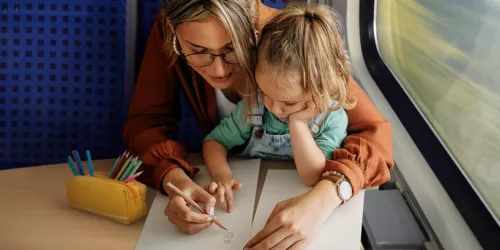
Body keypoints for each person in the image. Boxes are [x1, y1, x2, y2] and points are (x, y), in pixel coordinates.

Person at [122, 0, 393, 248]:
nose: (219, 71)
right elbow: (146, 124)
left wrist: (323, 199)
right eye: (198, 51)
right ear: (173, 31)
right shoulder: (169, 29)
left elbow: (375, 133)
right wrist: (174, 180)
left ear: (252, 23)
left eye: (232, 49)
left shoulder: (291, 42)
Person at [202, 2, 355, 214]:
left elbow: (312, 176)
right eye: (265, 92)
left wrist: (298, 123)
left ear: (321, 90)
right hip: (247, 199)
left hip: (296, 200)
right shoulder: (254, 105)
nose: (272, 107)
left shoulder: (330, 118)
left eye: (289, 103)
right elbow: (214, 142)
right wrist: (221, 175)